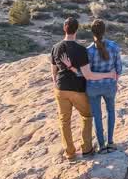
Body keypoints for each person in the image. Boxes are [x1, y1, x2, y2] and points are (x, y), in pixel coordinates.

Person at [51, 16, 116, 161]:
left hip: (60, 89)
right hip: (77, 90)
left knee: (64, 121)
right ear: (77, 31)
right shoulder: (81, 50)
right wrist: (109, 74)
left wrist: (58, 85)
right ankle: (86, 149)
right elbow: (89, 75)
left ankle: (70, 153)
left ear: (64, 29)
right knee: (86, 116)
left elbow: (53, 73)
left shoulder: (55, 48)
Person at [85, 19, 122, 151]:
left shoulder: (88, 51)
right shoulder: (114, 47)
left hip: (93, 88)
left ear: (92, 32)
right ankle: (110, 142)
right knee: (111, 111)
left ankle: (101, 145)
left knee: (97, 115)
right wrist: (115, 82)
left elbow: (85, 72)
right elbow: (118, 69)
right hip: (109, 86)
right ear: (104, 31)